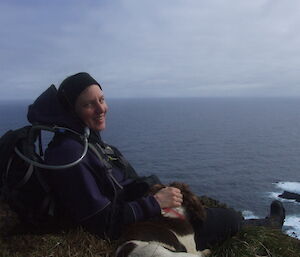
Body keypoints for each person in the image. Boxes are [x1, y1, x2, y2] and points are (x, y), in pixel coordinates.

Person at [26, 72, 285, 250]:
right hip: (131, 226)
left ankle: (253, 224)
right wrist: (154, 203)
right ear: (71, 110)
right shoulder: (70, 154)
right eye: (88, 105)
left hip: (138, 209)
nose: (101, 108)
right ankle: (264, 228)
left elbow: (113, 187)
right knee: (226, 219)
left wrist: (151, 192)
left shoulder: (83, 139)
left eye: (102, 100)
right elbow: (101, 223)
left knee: (209, 213)